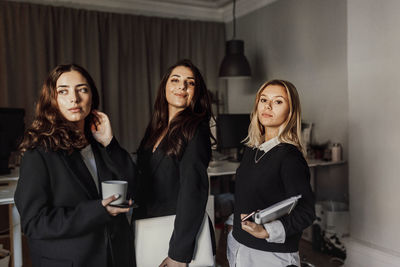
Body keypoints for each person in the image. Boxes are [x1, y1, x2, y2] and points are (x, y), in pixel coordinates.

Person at [14, 64, 135, 267]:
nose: (74, 98)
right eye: (63, 91)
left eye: (82, 89)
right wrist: (98, 211)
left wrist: (111, 144)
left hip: (116, 258)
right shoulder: (39, 152)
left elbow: (134, 187)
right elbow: (34, 223)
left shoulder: (101, 145)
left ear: (92, 97)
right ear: (52, 100)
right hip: (71, 261)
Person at [133, 59, 215, 267]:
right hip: (146, 226)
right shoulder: (156, 128)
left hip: (174, 234)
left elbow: (193, 190)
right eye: (175, 80)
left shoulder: (196, 129)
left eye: (190, 82)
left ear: (197, 92)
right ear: (165, 87)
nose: (182, 86)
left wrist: (179, 254)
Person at [227, 79, 316, 267]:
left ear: (290, 112)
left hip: (269, 256)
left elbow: (306, 212)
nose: (268, 106)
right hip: (239, 247)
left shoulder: (290, 157)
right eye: (263, 100)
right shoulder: (252, 149)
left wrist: (267, 231)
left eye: (278, 101)